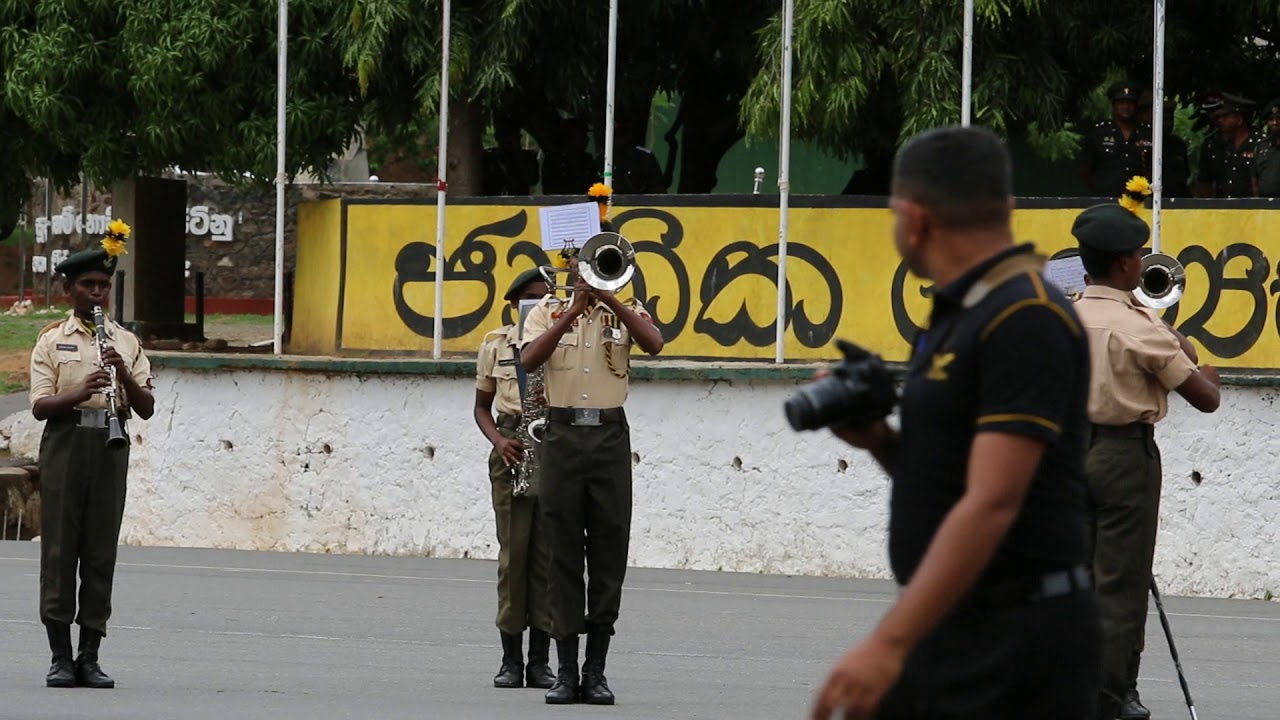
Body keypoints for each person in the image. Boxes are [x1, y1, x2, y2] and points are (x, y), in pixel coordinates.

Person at [810, 126, 1101, 720]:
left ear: (913, 219)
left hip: (1015, 641)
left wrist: (887, 643)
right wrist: (880, 442)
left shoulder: (1024, 316)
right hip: (953, 622)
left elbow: (994, 501)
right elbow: (954, 479)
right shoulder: (959, 312)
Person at [1071, 202, 1222, 720]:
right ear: (1124, 267)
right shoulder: (1139, 328)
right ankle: (1111, 699)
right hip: (1121, 458)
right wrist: (1177, 338)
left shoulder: (1060, 315)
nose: (1142, 262)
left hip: (1063, 457)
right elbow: (1206, 395)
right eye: (1138, 255)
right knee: (1120, 585)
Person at [518, 224, 664, 705]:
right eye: (587, 264)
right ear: (573, 266)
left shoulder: (625, 307)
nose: (592, 272)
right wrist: (572, 312)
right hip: (561, 435)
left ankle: (596, 670)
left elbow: (655, 342)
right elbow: (530, 359)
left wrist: (611, 300)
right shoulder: (547, 310)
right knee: (561, 551)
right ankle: (564, 672)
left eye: (599, 264)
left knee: (608, 548)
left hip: (608, 436)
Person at [29, 219, 155, 689]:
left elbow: (146, 408)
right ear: (70, 289)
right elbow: (41, 406)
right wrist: (80, 389)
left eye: (103, 285)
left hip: (109, 444)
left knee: (100, 552)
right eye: (88, 285)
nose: (97, 293)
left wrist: (121, 374)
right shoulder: (51, 340)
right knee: (61, 551)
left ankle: (90, 655)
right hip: (65, 444)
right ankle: (60, 657)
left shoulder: (126, 340)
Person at [473, 268, 556, 690]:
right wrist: (499, 442)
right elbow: (481, 408)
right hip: (511, 446)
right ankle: (510, 659)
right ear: (512, 304)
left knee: (546, 558)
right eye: (530, 299)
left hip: (551, 448)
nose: (538, 305)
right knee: (514, 558)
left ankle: (540, 661)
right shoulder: (495, 344)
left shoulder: (559, 338)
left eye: (545, 298)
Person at [1079, 81, 1152, 197]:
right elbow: (1086, 170)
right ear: (1114, 105)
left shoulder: (1148, 133)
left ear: (1136, 106)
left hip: (1139, 200)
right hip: (1105, 198)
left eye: (1130, 103)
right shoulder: (1099, 132)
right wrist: (1100, 188)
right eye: (1121, 103)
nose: (1126, 107)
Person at [1196, 93, 1259, 198]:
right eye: (1219, 117)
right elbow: (1204, 183)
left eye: (1225, 117)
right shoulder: (1214, 144)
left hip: (1252, 209)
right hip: (1220, 209)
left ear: (1239, 119)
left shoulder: (1261, 143)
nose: (1220, 120)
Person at [1252, 99, 1280, 197]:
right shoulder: (1261, 146)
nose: (1275, 123)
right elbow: (1255, 179)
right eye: (1271, 119)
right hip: (1264, 206)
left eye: (1278, 118)